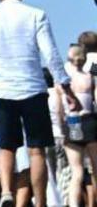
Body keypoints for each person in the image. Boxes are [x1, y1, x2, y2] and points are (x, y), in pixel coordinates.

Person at [0, 0, 80, 207]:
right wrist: (66, 88)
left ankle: (5, 192)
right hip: (33, 89)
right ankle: (41, 201)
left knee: (6, 147)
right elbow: (51, 54)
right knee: (36, 151)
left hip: (2, 90)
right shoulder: (36, 15)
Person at [60, 44, 96, 207]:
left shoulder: (63, 80)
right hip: (89, 121)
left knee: (76, 170)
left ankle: (74, 204)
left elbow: (60, 108)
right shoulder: (90, 77)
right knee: (95, 168)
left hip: (71, 122)